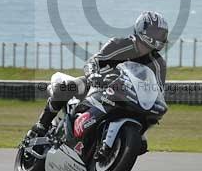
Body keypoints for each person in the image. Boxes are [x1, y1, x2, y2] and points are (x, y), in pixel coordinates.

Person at [29, 11, 169, 137]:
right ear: (141, 29)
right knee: (65, 87)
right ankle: (41, 126)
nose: (156, 38)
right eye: (154, 33)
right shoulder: (119, 44)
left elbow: (158, 91)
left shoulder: (158, 64)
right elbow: (94, 61)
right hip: (98, 85)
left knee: (141, 144)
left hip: (127, 98)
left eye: (160, 35)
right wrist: (93, 75)